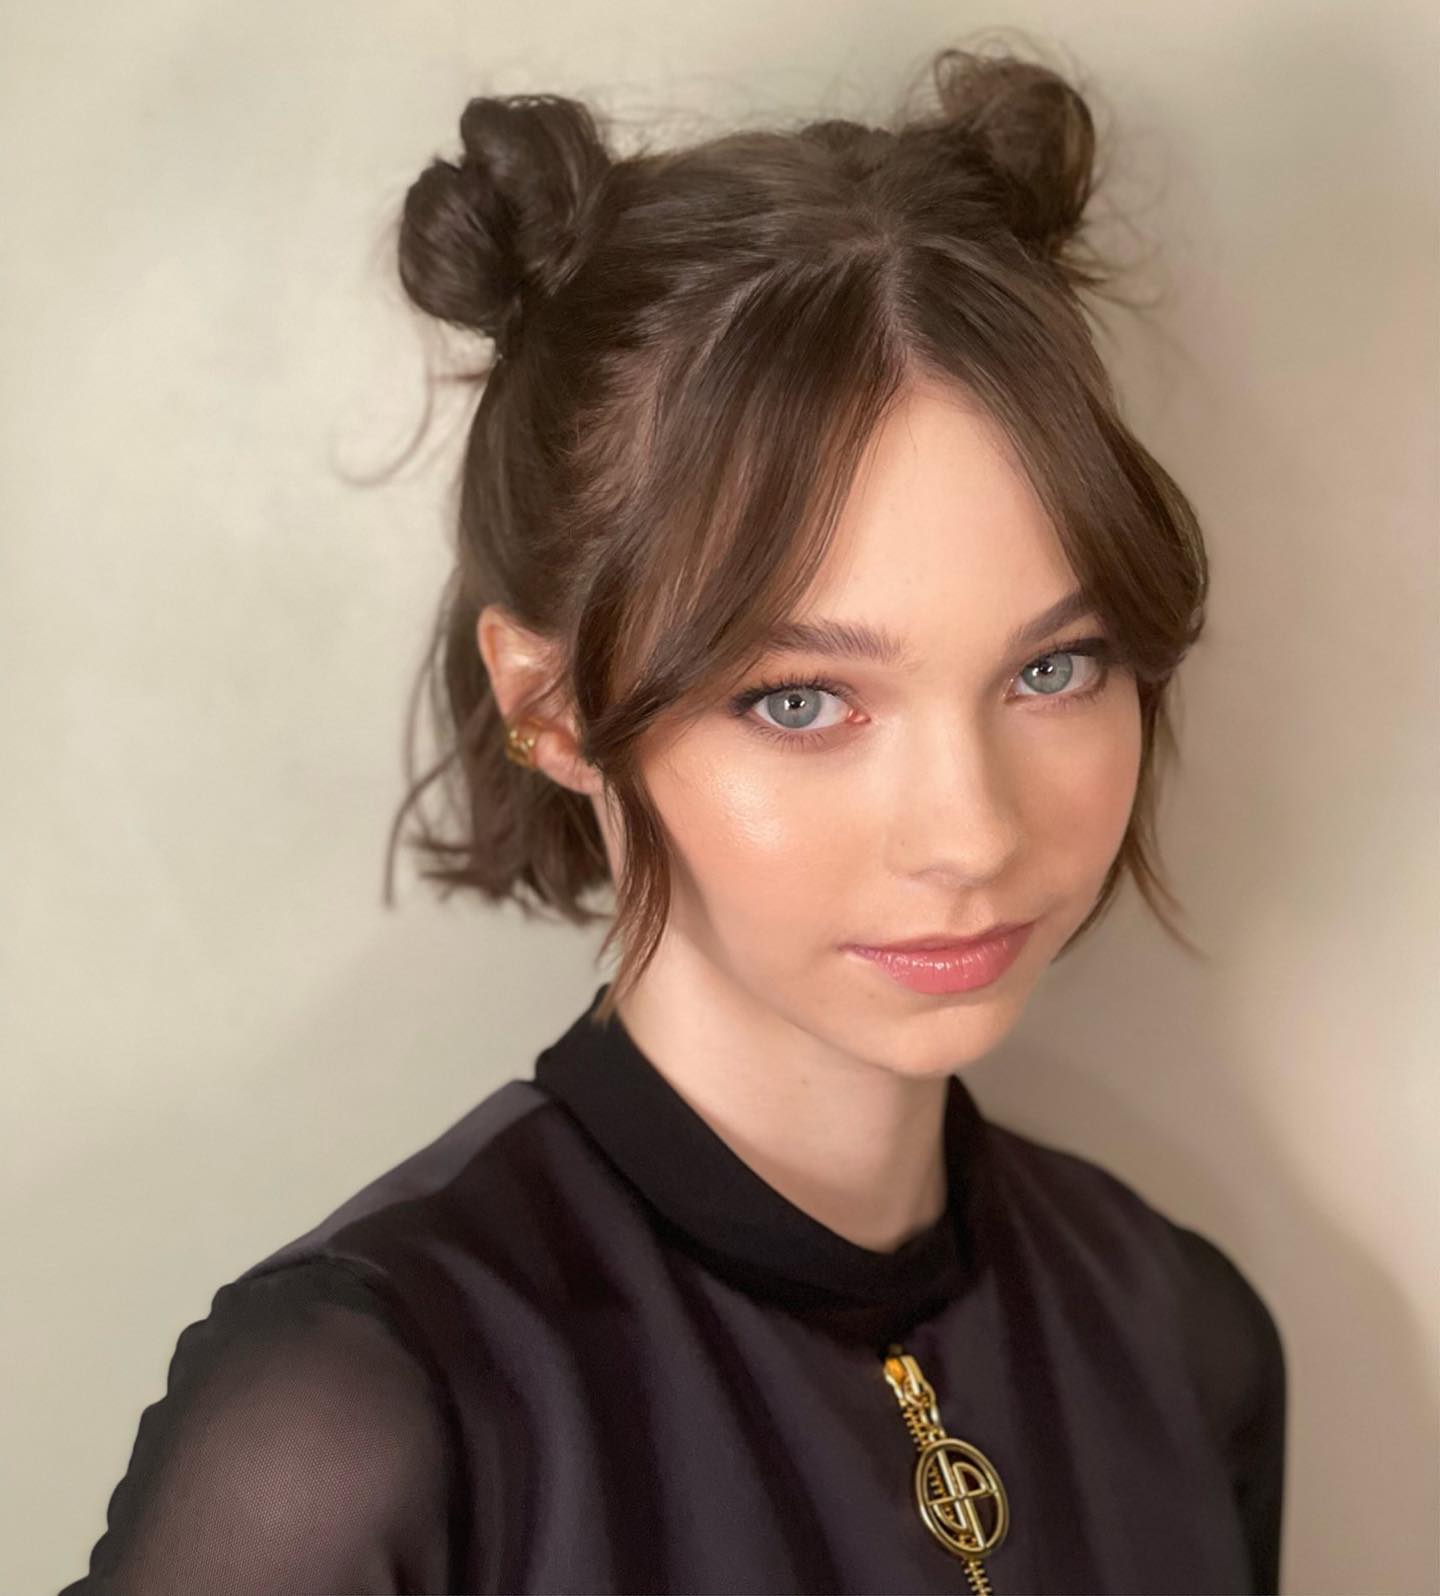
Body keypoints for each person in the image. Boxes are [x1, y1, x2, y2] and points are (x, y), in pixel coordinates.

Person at [60, 42, 1287, 1596]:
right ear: (552, 705)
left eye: (1053, 667)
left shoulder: (1184, 1339)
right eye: (804, 700)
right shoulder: (358, 1423)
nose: (972, 833)